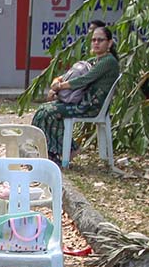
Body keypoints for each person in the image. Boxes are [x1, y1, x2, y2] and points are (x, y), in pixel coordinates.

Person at [32, 25, 120, 163]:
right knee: (42, 110)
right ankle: (47, 151)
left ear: (109, 43)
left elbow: (85, 80)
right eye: (94, 40)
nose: (96, 43)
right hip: (81, 103)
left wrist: (60, 87)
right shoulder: (95, 61)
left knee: (49, 112)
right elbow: (68, 75)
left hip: (90, 107)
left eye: (100, 40)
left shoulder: (108, 62)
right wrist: (56, 82)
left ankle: (64, 151)